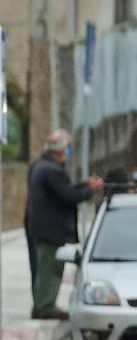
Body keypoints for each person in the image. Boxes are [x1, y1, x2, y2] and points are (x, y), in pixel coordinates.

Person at [24, 131, 104, 320]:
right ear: (61, 150)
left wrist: (84, 185)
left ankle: (41, 304)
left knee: (44, 267)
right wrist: (90, 189)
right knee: (50, 269)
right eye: (68, 146)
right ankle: (45, 306)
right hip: (50, 228)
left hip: (41, 226)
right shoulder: (52, 170)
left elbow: (64, 188)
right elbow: (68, 195)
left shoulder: (42, 166)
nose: (69, 150)